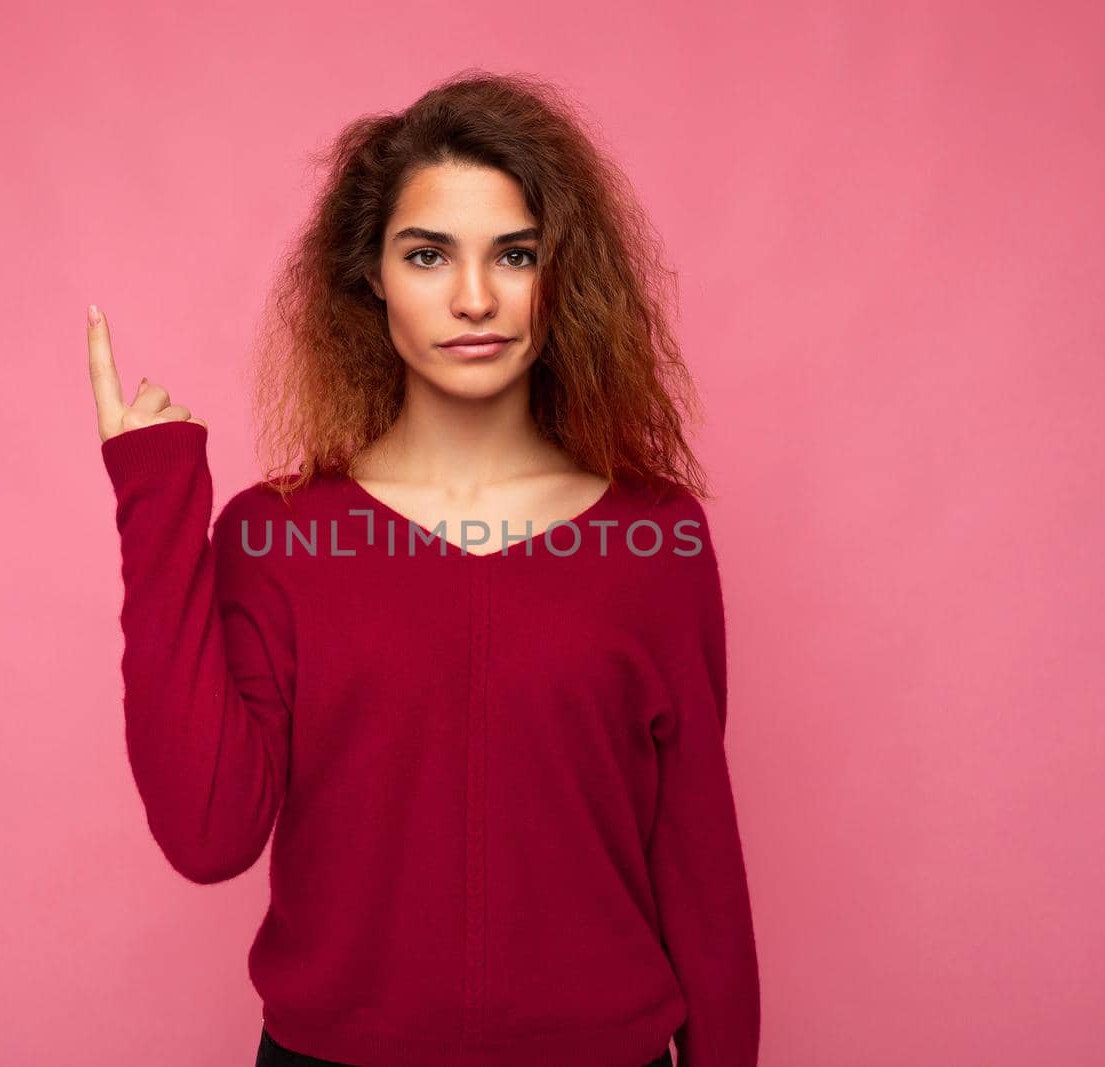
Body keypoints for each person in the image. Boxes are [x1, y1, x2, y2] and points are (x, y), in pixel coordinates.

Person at [87, 70, 759, 1067]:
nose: (475, 297)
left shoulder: (655, 538)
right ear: (371, 276)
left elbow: (697, 862)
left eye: (515, 254)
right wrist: (156, 500)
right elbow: (208, 830)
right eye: (429, 254)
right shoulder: (275, 538)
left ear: (559, 276)